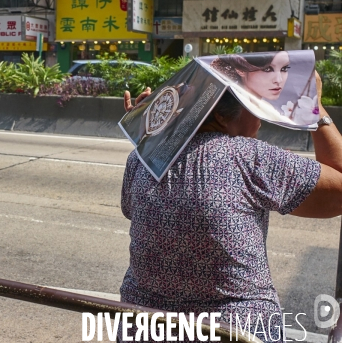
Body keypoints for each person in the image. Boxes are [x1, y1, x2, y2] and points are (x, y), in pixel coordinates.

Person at [119, 74, 342, 342]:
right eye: (254, 104)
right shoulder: (249, 157)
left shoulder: (142, 159)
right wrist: (315, 110)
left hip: (142, 329)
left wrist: (153, 133)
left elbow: (131, 209)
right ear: (221, 116)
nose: (262, 117)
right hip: (236, 331)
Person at [210, 51, 290, 101]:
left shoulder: (267, 110)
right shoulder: (235, 111)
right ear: (241, 70)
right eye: (267, 69)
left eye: (284, 68)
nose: (279, 80)